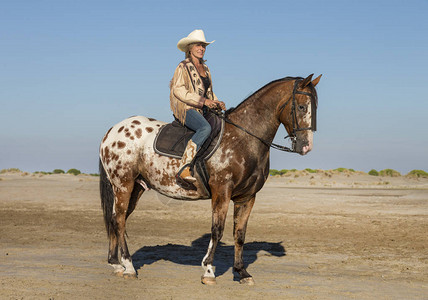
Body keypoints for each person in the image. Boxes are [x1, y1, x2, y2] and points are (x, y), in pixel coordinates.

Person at [170, 29, 226, 184]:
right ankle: (184, 167)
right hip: (186, 108)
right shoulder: (183, 66)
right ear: (190, 48)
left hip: (202, 108)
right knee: (205, 128)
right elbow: (178, 90)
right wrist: (203, 102)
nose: (201, 48)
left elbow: (208, 92)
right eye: (198, 45)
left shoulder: (205, 69)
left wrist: (216, 102)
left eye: (204, 46)